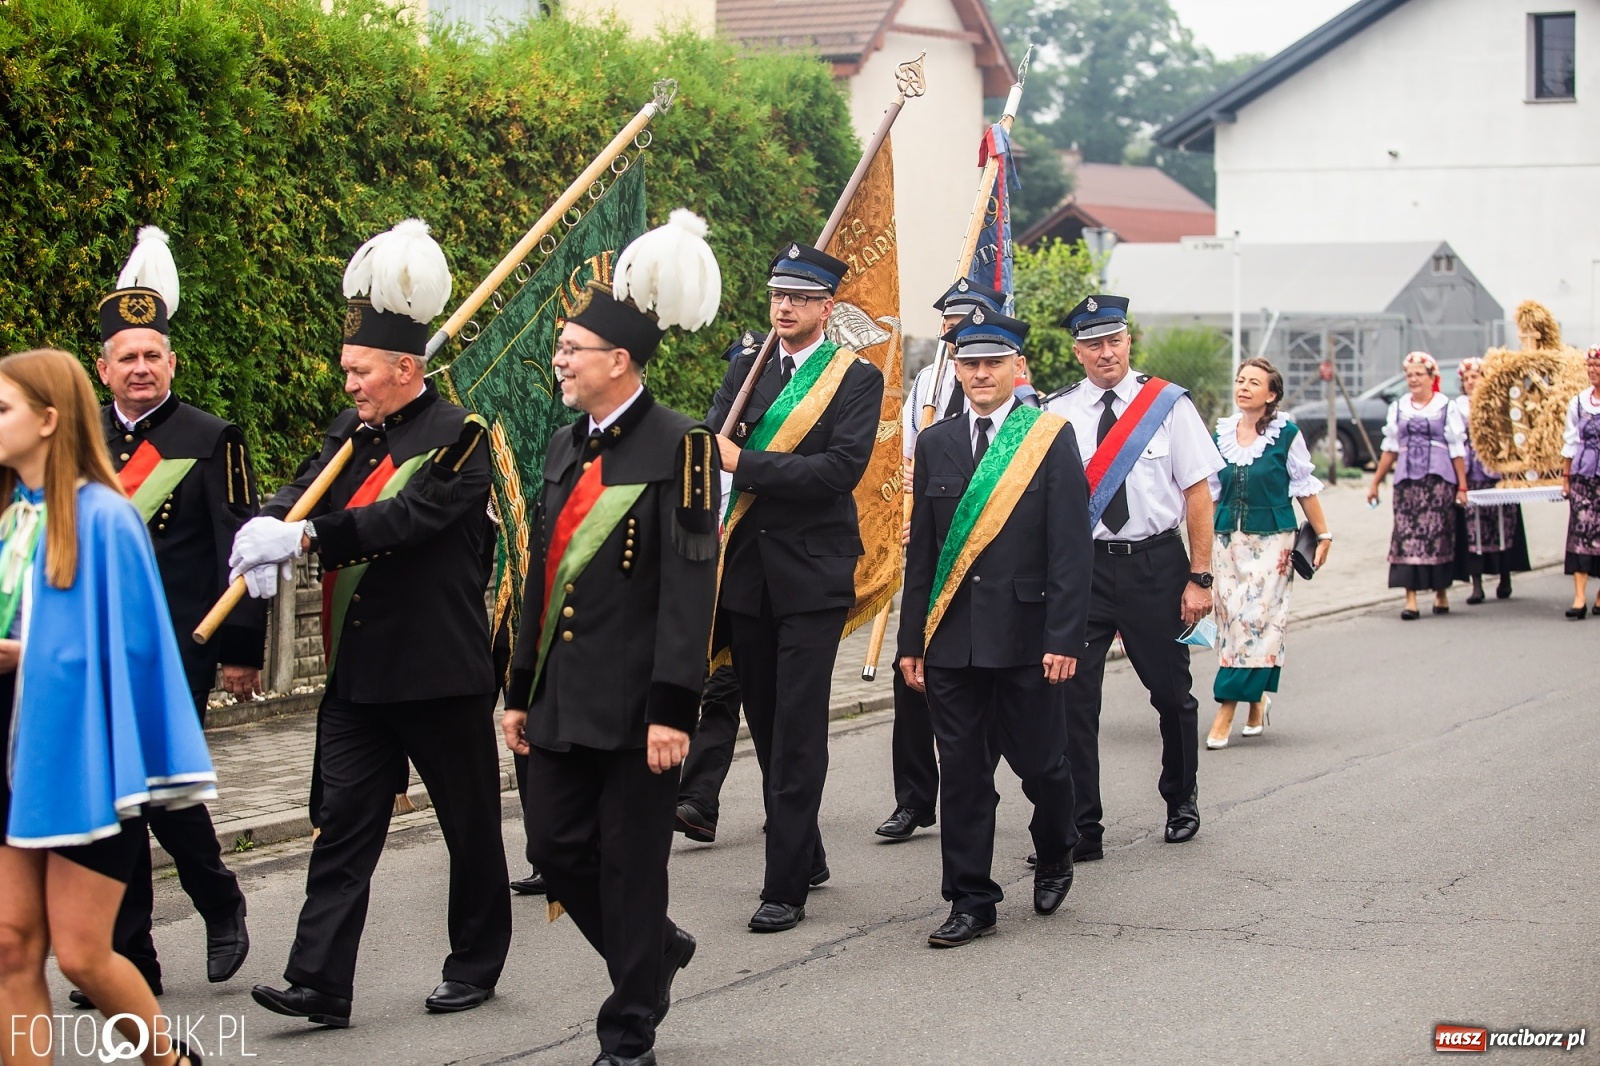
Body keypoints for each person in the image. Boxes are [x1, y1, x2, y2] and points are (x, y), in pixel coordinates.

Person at [238, 219, 511, 1027]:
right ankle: (320, 981)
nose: (349, 383)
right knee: (343, 825)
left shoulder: (460, 438)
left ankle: (475, 962)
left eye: (360, 371)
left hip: (439, 670)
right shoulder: (347, 433)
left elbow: (408, 520)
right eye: (345, 370)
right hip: (359, 676)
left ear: (403, 367)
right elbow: (301, 496)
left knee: (469, 827)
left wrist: (311, 536)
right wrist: (265, 530)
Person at [502, 209, 724, 1066]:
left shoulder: (684, 447)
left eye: (571, 350)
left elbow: (689, 591)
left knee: (633, 869)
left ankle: (630, 1030)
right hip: (561, 703)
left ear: (619, 362)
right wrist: (517, 693)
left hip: (639, 710)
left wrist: (675, 710)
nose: (558, 362)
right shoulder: (563, 445)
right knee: (556, 851)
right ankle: (654, 951)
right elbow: (538, 579)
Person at [0, 347, 211, 1066]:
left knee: (85, 958)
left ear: (49, 420)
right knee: (9, 945)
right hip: (9, 752)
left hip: (81, 759)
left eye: (3, 409)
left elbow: (132, 651)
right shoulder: (7, 516)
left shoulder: (105, 518)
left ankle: (167, 1058)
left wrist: (26, 655)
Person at [76, 226, 258, 1010]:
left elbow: (243, 555)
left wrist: (242, 651)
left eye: (154, 354)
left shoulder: (212, 438)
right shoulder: (75, 442)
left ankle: (218, 900)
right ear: (104, 367)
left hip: (179, 645)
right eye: (128, 357)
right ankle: (132, 960)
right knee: (113, 797)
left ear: (172, 363)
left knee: (158, 791)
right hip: (92, 647)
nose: (142, 368)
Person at [897, 308, 1091, 946]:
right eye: (970, 363)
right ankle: (971, 899)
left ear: (1018, 368)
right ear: (957, 367)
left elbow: (1070, 547)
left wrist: (1064, 638)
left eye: (993, 363)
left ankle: (1057, 847)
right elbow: (922, 553)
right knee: (963, 772)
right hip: (952, 642)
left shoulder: (1049, 436)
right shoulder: (936, 441)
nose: (981, 373)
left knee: (1041, 766)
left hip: (1027, 639)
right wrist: (911, 643)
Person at [708, 242, 884, 932]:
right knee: (768, 723)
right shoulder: (745, 370)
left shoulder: (855, 379)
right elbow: (713, 451)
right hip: (747, 575)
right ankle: (804, 849)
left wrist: (745, 463)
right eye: (779, 295)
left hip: (812, 577)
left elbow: (837, 472)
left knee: (802, 731)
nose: (785, 307)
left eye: (801, 298)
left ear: (826, 308)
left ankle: (783, 885)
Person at [1044, 294, 1223, 853]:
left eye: (1114, 341)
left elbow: (1197, 493)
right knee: (1073, 698)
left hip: (1155, 564)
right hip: (1085, 570)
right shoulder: (1057, 412)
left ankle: (1181, 798)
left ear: (1129, 341)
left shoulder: (1166, 405)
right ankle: (1083, 824)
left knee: (1172, 694)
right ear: (1077, 352)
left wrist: (1200, 577)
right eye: (1093, 344)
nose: (1106, 353)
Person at [875, 278, 1008, 844]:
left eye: (968, 320)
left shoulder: (1018, 399)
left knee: (991, 696)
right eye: (951, 323)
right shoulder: (928, 383)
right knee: (913, 677)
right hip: (932, 553)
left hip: (992, 562)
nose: (956, 331)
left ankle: (978, 783)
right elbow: (907, 458)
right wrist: (909, 497)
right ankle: (913, 798)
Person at [1204, 358, 1332, 750]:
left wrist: (1324, 534)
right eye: (1240, 380)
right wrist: (1201, 547)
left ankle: (1225, 708)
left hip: (1273, 542)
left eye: (1253, 382)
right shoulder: (1221, 433)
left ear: (1271, 395)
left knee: (1254, 621)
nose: (1243, 386)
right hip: (1227, 542)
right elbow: (1210, 493)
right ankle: (1257, 701)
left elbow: (1304, 487)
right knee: (1230, 623)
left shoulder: (1286, 434)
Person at [1365, 351, 1468, 620]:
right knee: (1405, 537)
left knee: (1439, 534)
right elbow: (1390, 448)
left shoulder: (1446, 406)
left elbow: (1457, 448)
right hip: (1407, 482)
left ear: (1431, 377)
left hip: (1438, 481)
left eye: (1418, 374)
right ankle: (1410, 598)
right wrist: (1375, 482)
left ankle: (1440, 592)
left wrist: (1462, 486)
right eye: (1409, 375)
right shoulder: (1399, 408)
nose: (1413, 379)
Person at [1452, 358, 1529, 603]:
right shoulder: (1458, 407)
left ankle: (1504, 575)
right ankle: (1477, 584)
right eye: (1466, 379)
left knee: (1502, 522)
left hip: (1495, 471)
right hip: (1471, 473)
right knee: (1474, 527)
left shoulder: (1497, 404)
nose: (1471, 382)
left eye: (1475, 377)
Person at [1560, 347, 1600, 618]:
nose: (1592, 370)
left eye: (1597, 366)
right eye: (1590, 366)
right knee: (1580, 530)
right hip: (1584, 474)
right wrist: (1566, 477)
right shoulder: (1578, 402)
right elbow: (1570, 441)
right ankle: (1578, 597)